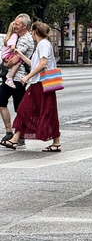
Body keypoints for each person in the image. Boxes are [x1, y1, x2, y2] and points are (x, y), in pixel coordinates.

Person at [0, 21, 61, 151]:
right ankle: (17, 139)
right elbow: (34, 64)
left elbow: (43, 64)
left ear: (34, 31)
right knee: (44, 111)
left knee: (25, 110)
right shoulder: (42, 44)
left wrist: (27, 77)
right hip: (39, 84)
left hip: (40, 84)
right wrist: (21, 55)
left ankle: (15, 139)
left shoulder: (43, 44)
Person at [0, 14, 34, 143]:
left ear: (24, 26)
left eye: (17, 24)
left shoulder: (26, 39)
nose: (14, 26)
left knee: (19, 108)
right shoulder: (17, 38)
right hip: (10, 77)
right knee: (1, 101)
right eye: (14, 23)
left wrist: (6, 63)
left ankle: (20, 135)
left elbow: (14, 60)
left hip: (19, 78)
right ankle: (9, 132)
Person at [1, 22, 22, 89]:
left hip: (4, 55)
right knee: (19, 61)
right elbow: (12, 47)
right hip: (7, 55)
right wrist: (16, 51)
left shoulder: (9, 36)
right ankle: (10, 78)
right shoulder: (15, 35)